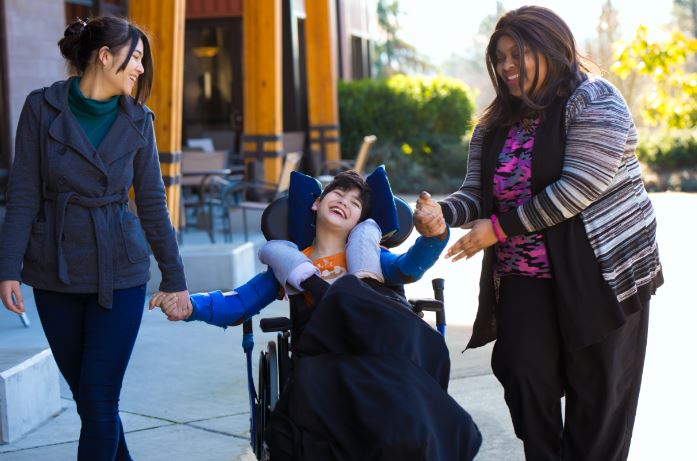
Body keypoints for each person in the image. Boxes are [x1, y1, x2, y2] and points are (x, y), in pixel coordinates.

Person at [414, 6, 662, 461]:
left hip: (601, 276)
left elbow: (580, 187)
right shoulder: (493, 125)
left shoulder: (596, 100)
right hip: (525, 275)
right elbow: (476, 194)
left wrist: (499, 228)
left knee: (598, 403)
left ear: (551, 47)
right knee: (526, 379)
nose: (507, 66)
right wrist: (442, 213)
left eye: (518, 54)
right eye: (500, 57)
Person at [152, 170, 482, 460]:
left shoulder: (373, 257)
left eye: (356, 203)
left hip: (382, 354)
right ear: (316, 203)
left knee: (399, 394)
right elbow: (238, 303)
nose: (345, 202)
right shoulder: (289, 262)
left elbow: (410, 266)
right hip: (325, 358)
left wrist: (436, 236)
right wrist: (190, 306)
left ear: (360, 221)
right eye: (338, 193)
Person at [0, 17, 188, 461]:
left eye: (143, 59)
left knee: (101, 400)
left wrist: (174, 277)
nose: (141, 68)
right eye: (136, 57)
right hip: (55, 270)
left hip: (118, 270)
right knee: (91, 402)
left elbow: (152, 204)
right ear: (105, 56)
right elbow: (23, 193)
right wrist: (8, 267)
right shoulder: (40, 108)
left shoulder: (140, 121)